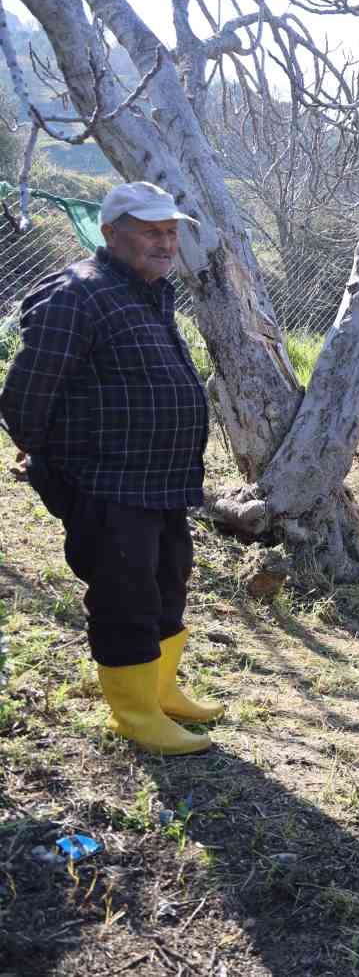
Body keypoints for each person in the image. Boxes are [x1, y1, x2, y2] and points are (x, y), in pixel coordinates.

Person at [0, 181, 224, 755]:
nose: (165, 243)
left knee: (168, 580)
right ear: (111, 232)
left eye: (171, 232)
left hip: (162, 482)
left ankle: (161, 690)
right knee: (124, 596)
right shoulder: (78, 293)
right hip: (108, 483)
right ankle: (135, 715)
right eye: (151, 231)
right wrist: (53, 465)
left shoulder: (151, 292)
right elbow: (25, 395)